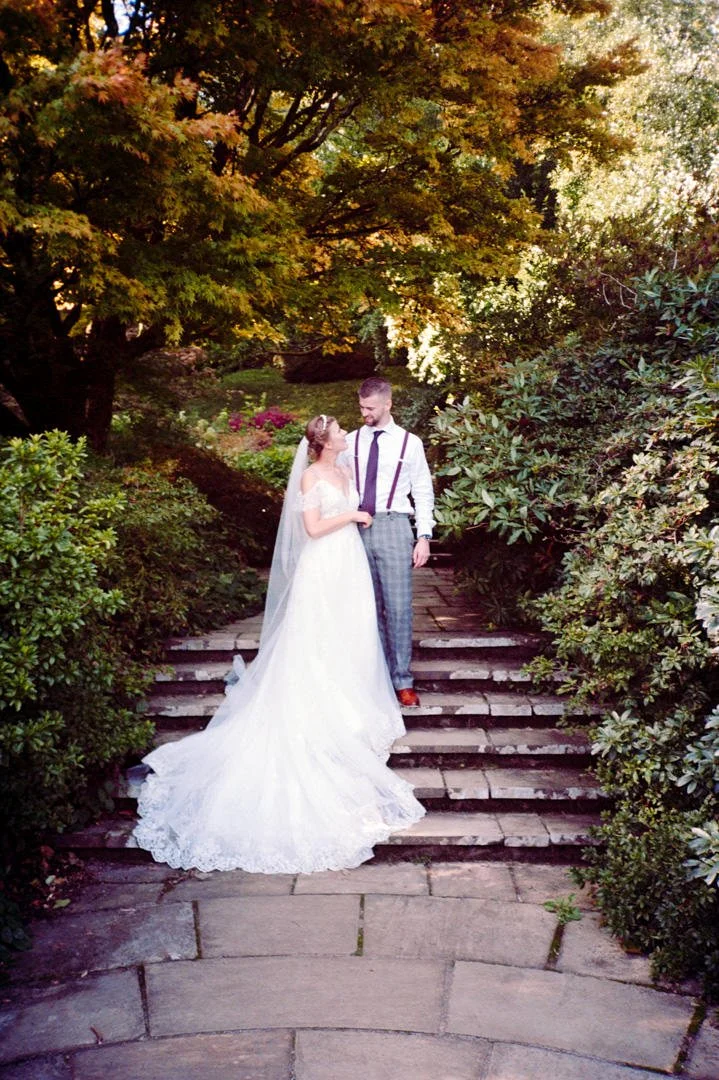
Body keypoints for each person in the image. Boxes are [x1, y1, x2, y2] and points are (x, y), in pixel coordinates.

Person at [132, 414, 425, 874]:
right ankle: (316, 706)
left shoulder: (344, 471)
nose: (348, 435)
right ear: (324, 442)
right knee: (317, 638)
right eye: (340, 433)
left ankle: (349, 700)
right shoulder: (311, 475)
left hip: (348, 563)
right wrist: (350, 514)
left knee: (350, 637)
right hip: (324, 563)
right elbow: (311, 528)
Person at [343, 377, 435, 707]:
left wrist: (423, 536)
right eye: (361, 407)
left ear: (387, 405)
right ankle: (375, 676)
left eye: (370, 408)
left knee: (397, 607)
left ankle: (402, 680)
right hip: (356, 528)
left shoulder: (410, 443)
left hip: (395, 525)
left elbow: (423, 491)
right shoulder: (350, 441)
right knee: (366, 607)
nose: (364, 413)